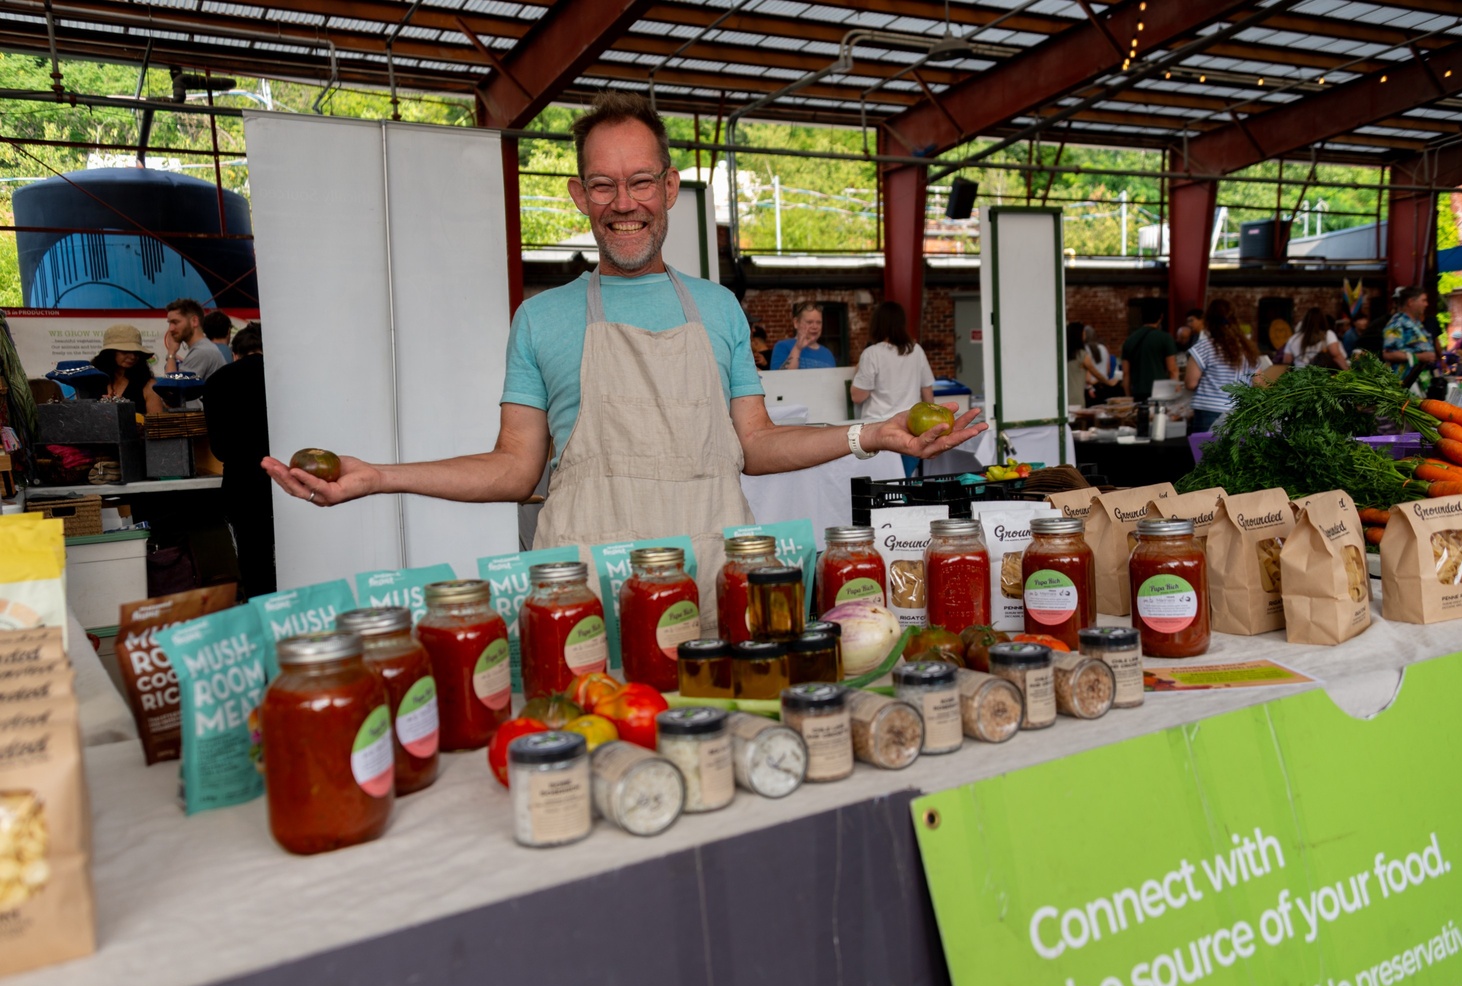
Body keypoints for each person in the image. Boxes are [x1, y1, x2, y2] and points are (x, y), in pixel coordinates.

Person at [262, 91, 983, 628]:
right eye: (602, 185)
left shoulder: (720, 309)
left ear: (669, 189)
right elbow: (516, 468)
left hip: (712, 583)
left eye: (641, 181)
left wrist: (873, 437)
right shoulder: (541, 317)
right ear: (580, 196)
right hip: (585, 594)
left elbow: (755, 446)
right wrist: (379, 477)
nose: (623, 202)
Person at [204, 322, 275, 597]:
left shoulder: (216, 382)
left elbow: (219, 448)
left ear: (235, 353)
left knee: (253, 558)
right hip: (288, 479)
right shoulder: (284, 376)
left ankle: (262, 614)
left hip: (241, 482)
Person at [851, 301, 934, 476]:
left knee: (882, 484)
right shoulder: (916, 350)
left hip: (879, 430)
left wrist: (857, 370)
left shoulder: (872, 353)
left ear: (876, 324)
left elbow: (857, 396)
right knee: (905, 481)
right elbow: (927, 393)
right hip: (911, 428)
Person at [1185, 299, 1258, 435]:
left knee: (1206, 454)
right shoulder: (1249, 349)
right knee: (1234, 454)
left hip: (1209, 409)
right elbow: (1258, 383)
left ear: (1208, 321)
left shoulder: (1204, 347)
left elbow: (1190, 383)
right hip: (1241, 411)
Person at [91, 324, 164, 416]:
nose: (132, 357)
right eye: (125, 351)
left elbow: (156, 424)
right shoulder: (92, 383)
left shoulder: (148, 385)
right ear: (110, 353)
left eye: (136, 352)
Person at [1119, 302, 1178, 402]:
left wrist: (1128, 397)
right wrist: (1176, 392)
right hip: (1161, 392)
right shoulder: (1165, 338)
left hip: (1137, 392)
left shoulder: (1129, 340)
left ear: (1141, 317)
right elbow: (1172, 370)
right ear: (1161, 317)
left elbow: (1126, 373)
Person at [1382, 286, 1436, 387]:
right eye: (1423, 300)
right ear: (1411, 302)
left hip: (1419, 381)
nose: (1426, 304)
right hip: (1403, 383)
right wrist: (1420, 357)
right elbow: (1388, 354)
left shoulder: (1416, 323)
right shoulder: (1396, 323)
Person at [163, 298, 226, 381]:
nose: (171, 328)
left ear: (194, 321)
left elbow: (171, 388)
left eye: (175, 322)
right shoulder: (204, 347)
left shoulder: (201, 352)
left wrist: (171, 353)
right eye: (169, 323)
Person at [770, 302, 837, 369]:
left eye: (819, 322)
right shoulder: (782, 346)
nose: (815, 327)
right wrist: (797, 348)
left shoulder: (828, 354)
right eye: (809, 322)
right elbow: (781, 378)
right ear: (796, 323)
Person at [1280, 306, 1348, 370]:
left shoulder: (1293, 338)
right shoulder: (1328, 335)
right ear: (1323, 320)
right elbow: (1336, 355)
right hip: (1322, 376)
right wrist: (1348, 372)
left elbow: (1286, 362)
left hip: (1300, 377)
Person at [1082, 324, 1122, 403]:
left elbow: (1086, 375)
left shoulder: (1084, 350)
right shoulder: (1103, 348)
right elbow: (1108, 370)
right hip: (1104, 386)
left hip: (1090, 388)